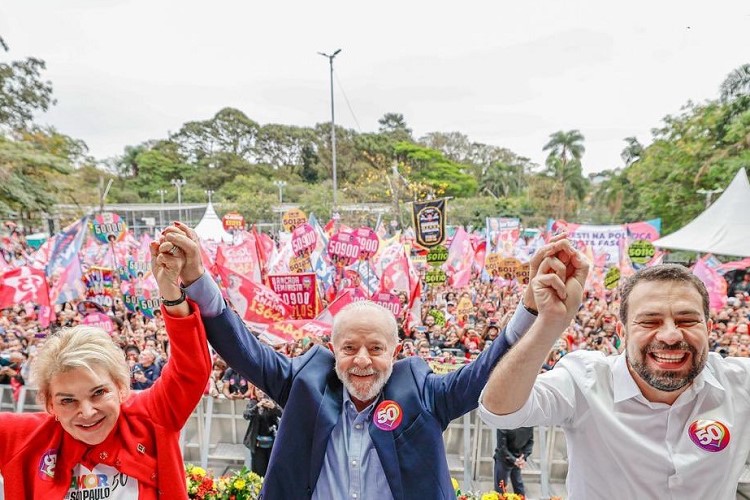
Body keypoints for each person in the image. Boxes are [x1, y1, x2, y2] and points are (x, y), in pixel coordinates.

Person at [162, 222, 571, 499]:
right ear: (333, 350)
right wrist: (197, 278)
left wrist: (530, 309)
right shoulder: (305, 382)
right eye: (349, 348)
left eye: (376, 349)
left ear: (395, 351)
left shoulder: (423, 392)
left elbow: (485, 374)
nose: (362, 361)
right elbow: (241, 349)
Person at [480, 260, 750, 499]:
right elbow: (499, 411)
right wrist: (549, 323)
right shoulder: (584, 380)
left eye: (687, 320)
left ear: (709, 328)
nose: (670, 336)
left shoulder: (740, 383)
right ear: (622, 332)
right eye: (649, 321)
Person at [0, 230, 211, 498]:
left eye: (99, 393)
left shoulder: (150, 418)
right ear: (48, 403)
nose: (87, 412)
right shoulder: (23, 437)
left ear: (122, 387)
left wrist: (171, 293)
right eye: (68, 401)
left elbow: (190, 371)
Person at [242, 388, 282, 476]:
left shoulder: (272, 402)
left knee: (272, 469)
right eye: (257, 390)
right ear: (254, 392)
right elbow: (246, 415)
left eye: (262, 390)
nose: (260, 392)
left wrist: (274, 408)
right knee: (259, 470)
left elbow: (283, 414)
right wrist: (257, 407)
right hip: (258, 443)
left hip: (272, 443)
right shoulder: (253, 403)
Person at [494, 427, 533, 496]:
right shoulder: (528, 424)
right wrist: (522, 458)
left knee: (501, 489)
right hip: (515, 457)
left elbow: (501, 447)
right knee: (518, 485)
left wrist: (520, 459)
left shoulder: (503, 423)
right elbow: (530, 441)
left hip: (506, 459)